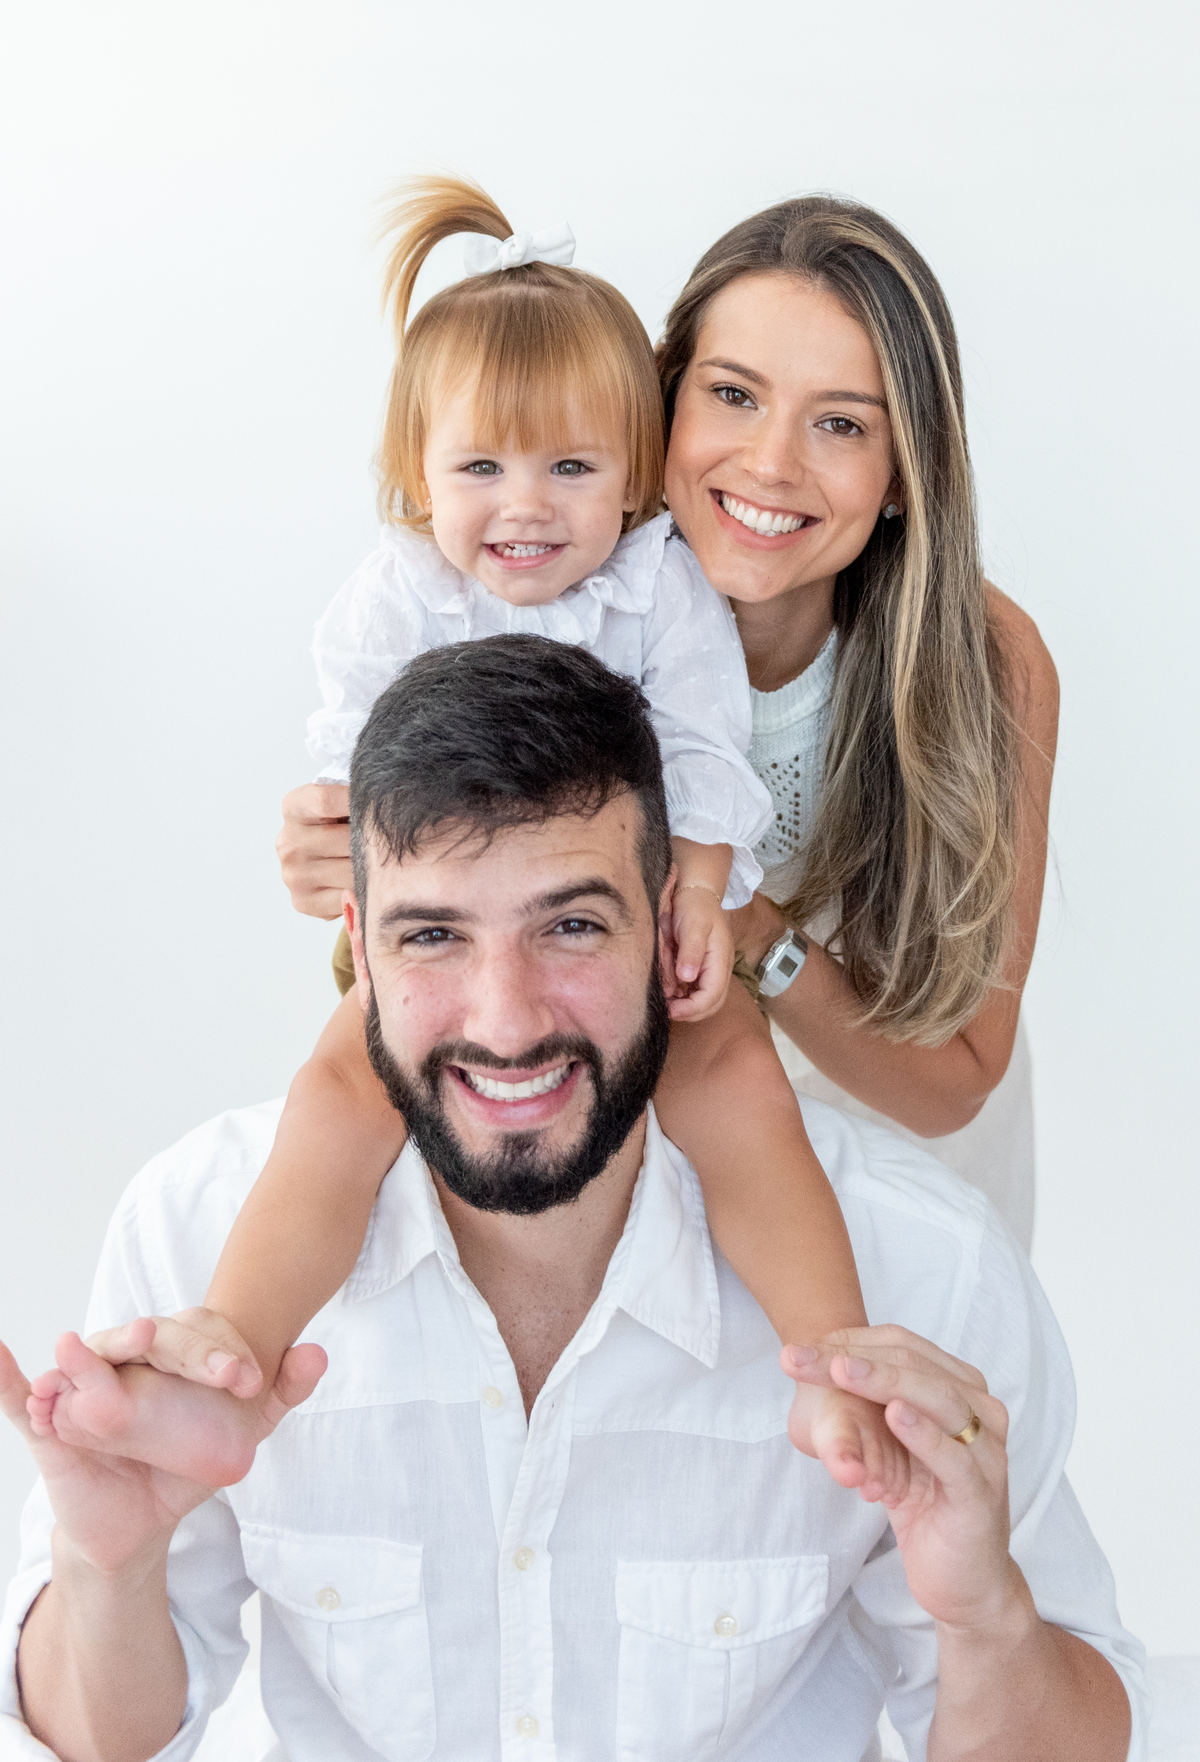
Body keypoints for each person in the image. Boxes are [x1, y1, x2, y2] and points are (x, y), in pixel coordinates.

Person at [1, 638, 1143, 1760]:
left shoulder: (924, 1266)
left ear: (671, 928)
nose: (506, 1022)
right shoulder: (193, 1232)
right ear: (361, 949)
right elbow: (95, 1743)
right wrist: (106, 1566)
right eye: (433, 935)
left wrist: (986, 1620)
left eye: (573, 926)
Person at [158, 175, 903, 1487]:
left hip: (624, 915)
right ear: (418, 474)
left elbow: (704, 741)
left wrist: (701, 889)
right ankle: (235, 1335)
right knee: (339, 1094)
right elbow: (354, 755)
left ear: (634, 475)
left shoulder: (656, 586)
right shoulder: (399, 594)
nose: (527, 507)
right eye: (482, 469)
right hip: (458, 928)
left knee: (740, 1083)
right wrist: (356, 871)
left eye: (571, 468)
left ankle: (836, 1356)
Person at [282, 192, 1054, 1253]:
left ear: (902, 474)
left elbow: (953, 1085)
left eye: (841, 422)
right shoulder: (550, 596)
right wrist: (341, 845)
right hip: (623, 1184)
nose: (772, 464)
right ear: (660, 403)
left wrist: (734, 917)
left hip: (900, 1178)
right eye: (733, 395)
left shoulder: (982, 658)